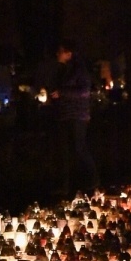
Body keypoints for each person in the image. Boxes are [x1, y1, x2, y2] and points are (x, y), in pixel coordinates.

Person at [50, 39, 97, 197]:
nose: (57, 54)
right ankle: (65, 186)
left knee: (79, 148)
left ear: (68, 53)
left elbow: (84, 91)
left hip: (77, 115)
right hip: (64, 115)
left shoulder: (79, 70)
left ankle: (92, 181)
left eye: (60, 51)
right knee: (63, 151)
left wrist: (62, 93)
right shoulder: (63, 70)